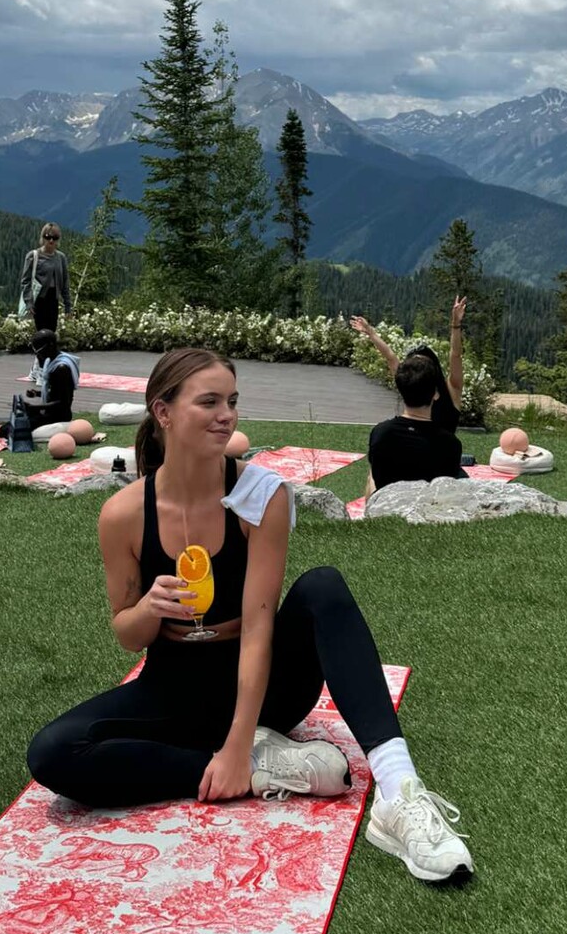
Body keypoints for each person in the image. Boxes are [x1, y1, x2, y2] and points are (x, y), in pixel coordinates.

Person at [27, 347, 473, 885]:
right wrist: (148, 608)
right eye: (209, 402)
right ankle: (265, 769)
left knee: (323, 587)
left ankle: (398, 791)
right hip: (175, 688)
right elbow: (127, 634)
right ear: (163, 412)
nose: (227, 415)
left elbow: (260, 627)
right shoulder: (123, 514)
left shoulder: (259, 495)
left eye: (232, 402)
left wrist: (239, 741)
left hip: (267, 690)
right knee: (52, 752)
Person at [351, 297, 467, 432]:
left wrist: (371, 332)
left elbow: (390, 357)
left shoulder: (412, 384)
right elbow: (455, 355)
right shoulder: (448, 392)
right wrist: (455, 324)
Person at [367, 351, 468, 491]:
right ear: (435, 394)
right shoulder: (450, 444)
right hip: (429, 503)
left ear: (401, 390)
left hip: (388, 502)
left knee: (371, 475)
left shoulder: (381, 433)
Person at [0, 330, 80, 440]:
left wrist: (34, 408)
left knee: (6, 431)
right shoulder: (51, 361)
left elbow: (63, 403)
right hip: (47, 412)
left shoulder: (61, 369)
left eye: (39, 351)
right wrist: (37, 393)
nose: (37, 355)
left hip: (57, 417)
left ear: (50, 345)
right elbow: (55, 392)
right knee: (5, 429)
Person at [19, 224, 71, 339]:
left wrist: (68, 305)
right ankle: (40, 351)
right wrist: (29, 302)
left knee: (51, 332)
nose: (51, 240)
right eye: (48, 237)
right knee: (41, 333)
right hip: (39, 300)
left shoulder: (61, 257)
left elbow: (65, 282)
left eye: (55, 237)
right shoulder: (33, 256)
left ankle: (49, 351)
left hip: (53, 300)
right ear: (43, 237)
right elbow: (26, 281)